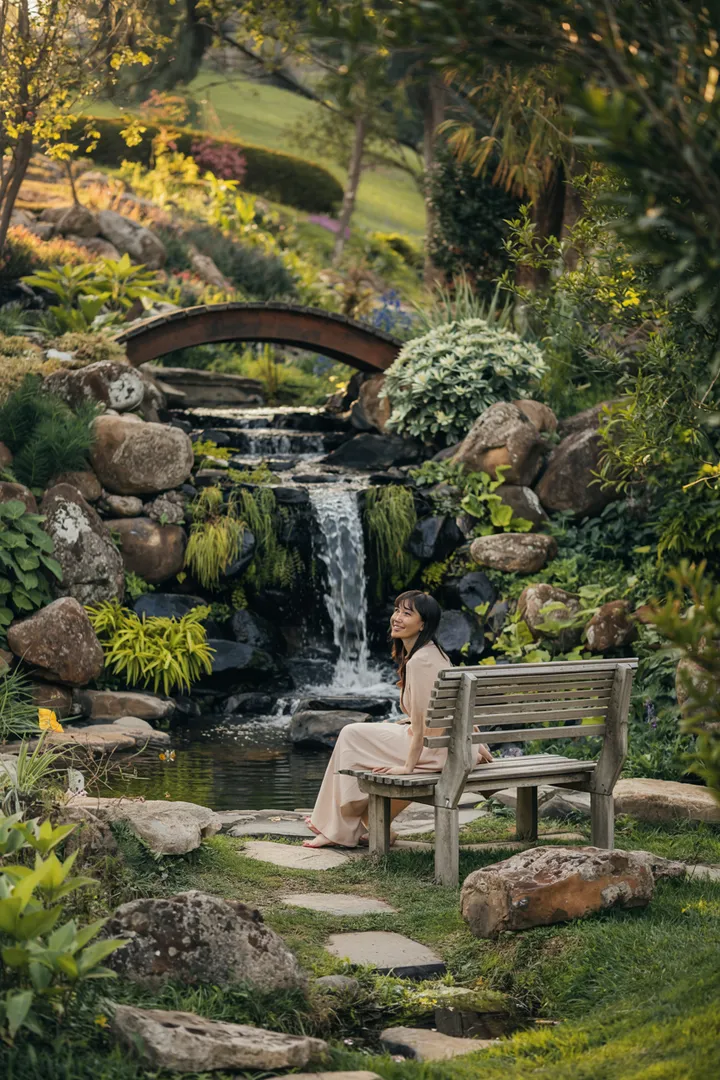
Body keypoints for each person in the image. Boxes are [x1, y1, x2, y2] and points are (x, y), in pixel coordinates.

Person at [303, 589, 492, 848]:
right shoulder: (434, 653)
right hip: (449, 744)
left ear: (423, 624)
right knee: (362, 737)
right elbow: (438, 714)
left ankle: (338, 829)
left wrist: (407, 768)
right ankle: (361, 824)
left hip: (438, 750)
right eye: (397, 611)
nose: (397, 618)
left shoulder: (420, 662)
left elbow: (423, 727)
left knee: (350, 735)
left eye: (407, 613)